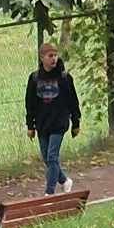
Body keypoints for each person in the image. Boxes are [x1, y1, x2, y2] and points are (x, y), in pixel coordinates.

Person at [25, 41, 82, 196]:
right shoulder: (34, 78)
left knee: (52, 156)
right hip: (42, 124)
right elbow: (30, 103)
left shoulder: (65, 78)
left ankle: (49, 193)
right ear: (42, 57)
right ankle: (64, 181)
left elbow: (73, 101)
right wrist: (30, 125)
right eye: (50, 56)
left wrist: (76, 122)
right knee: (47, 159)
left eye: (55, 55)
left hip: (59, 123)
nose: (54, 59)